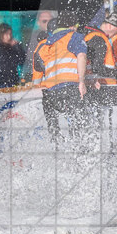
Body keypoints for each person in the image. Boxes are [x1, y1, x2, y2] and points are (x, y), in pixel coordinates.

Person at [31, 13, 91, 143]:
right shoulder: (74, 37)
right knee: (79, 126)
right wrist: (82, 82)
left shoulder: (43, 45)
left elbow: (36, 81)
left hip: (51, 93)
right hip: (71, 87)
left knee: (55, 129)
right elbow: (81, 56)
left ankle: (58, 149)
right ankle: (81, 153)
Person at [0, 23, 26, 89]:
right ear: (0, 35)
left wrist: (18, 47)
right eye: (6, 34)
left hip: (14, 83)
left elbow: (23, 61)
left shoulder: (13, 48)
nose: (8, 37)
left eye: (10, 34)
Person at [22, 10, 53, 82]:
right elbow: (31, 59)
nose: (48, 23)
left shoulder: (58, 35)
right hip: (39, 77)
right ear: (38, 23)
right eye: (44, 21)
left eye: (50, 21)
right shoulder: (34, 39)